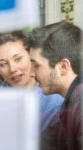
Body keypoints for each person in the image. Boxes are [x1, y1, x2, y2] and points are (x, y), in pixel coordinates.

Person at [0, 31, 64, 132]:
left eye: (18, 59)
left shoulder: (54, 101)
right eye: (3, 64)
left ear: (31, 56)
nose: (12, 69)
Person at [28, 21, 82, 150]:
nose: (31, 73)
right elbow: (44, 143)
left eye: (36, 65)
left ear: (63, 67)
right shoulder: (71, 103)